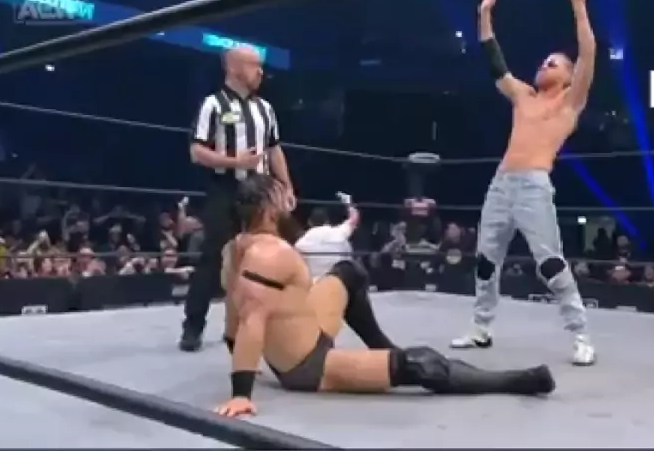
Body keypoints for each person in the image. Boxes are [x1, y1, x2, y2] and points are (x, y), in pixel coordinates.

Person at [214, 175, 555, 418]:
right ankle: (517, 381)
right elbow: (250, 318)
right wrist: (241, 393)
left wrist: (242, 357)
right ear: (270, 210)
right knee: (422, 363)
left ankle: (383, 348)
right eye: (282, 197)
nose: (291, 202)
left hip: (309, 330)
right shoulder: (270, 254)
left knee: (348, 272)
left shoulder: (234, 249)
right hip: (308, 366)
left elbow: (233, 310)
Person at [450, 0, 598, 365]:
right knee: (486, 260)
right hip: (501, 184)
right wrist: (485, 14)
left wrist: (578, 5)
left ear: (568, 76)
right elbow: (495, 61)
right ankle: (480, 328)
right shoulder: (524, 97)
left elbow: (588, 53)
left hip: (534, 185)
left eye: (553, 63)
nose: (544, 64)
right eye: (544, 61)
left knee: (550, 263)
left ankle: (581, 335)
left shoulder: (570, 102)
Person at [180, 45, 296, 352]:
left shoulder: (265, 108)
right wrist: (235, 162)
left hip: (259, 190)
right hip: (225, 188)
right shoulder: (213, 105)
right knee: (213, 256)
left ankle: (257, 325)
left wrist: (286, 185)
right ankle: (193, 327)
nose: (261, 72)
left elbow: (274, 149)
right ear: (234, 67)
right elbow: (196, 151)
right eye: (254, 65)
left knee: (265, 256)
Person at [295, 193, 359, 281]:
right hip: (338, 283)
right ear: (327, 221)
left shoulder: (302, 242)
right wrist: (348, 202)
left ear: (310, 222)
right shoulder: (338, 233)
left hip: (314, 284)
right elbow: (354, 218)